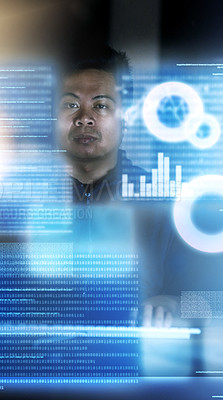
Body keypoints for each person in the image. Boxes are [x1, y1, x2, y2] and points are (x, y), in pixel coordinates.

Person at [56, 44, 180, 327]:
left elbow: (212, 295)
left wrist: (175, 302)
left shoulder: (168, 203)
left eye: (101, 105)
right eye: (70, 104)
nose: (84, 118)